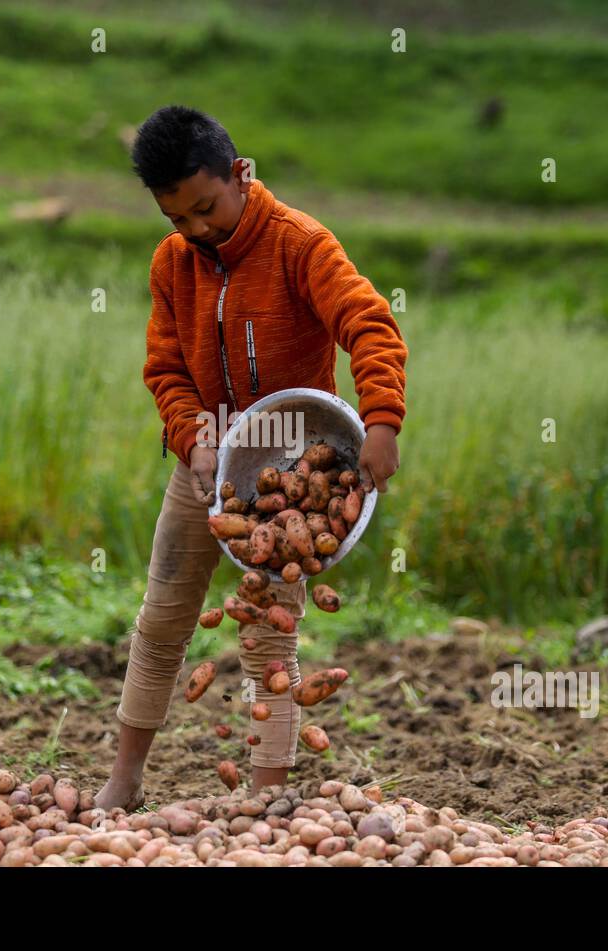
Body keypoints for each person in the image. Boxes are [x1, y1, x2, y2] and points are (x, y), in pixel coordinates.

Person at [92, 105, 407, 813]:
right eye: (180, 220)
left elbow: (370, 323)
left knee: (269, 636)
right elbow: (166, 367)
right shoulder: (174, 265)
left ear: (239, 174)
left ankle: (264, 804)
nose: (198, 231)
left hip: (294, 475)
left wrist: (381, 421)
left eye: (207, 209)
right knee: (163, 616)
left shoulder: (299, 244)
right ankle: (125, 779)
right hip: (205, 464)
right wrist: (193, 439)